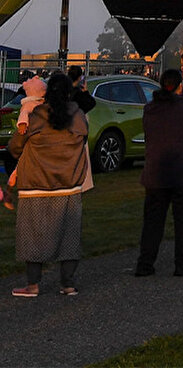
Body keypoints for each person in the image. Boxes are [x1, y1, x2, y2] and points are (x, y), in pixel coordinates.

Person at [8, 72, 91, 297]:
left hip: (35, 187)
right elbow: (84, 140)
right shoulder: (79, 117)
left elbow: (15, 148)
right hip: (69, 187)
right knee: (69, 239)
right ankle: (68, 284)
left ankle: (33, 285)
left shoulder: (34, 118)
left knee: (32, 238)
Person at [134, 68, 183, 277]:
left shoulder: (150, 109)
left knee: (153, 222)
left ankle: (145, 263)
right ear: (178, 85)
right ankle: (182, 263)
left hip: (156, 173)